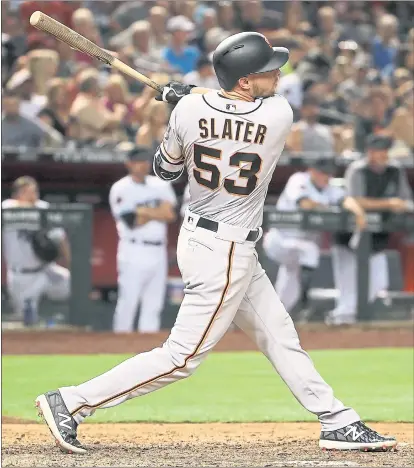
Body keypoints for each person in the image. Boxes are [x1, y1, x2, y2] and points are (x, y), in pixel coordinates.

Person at [36, 32, 397, 454]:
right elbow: (233, 106)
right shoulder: (278, 114)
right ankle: (72, 402)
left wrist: (181, 103)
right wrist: (188, 96)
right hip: (224, 252)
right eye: (267, 70)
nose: (277, 75)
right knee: (182, 357)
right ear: (245, 82)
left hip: (202, 239)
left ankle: (337, 420)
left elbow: (167, 170)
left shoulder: (189, 110)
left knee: (279, 334)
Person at [327, 134, 414, 326]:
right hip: (348, 237)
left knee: (378, 284)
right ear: (369, 152)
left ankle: (347, 322)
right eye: (378, 150)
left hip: (376, 238)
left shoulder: (395, 170)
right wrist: (389, 204)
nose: (382, 154)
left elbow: (405, 200)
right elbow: (354, 200)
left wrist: (400, 205)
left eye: (384, 150)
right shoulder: (358, 169)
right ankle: (339, 325)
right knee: (348, 290)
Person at [262, 159, 366, 318]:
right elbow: (306, 204)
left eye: (329, 174)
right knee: (310, 251)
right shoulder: (298, 180)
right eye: (323, 173)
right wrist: (329, 208)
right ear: (312, 171)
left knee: (285, 297)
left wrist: (358, 212)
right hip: (280, 240)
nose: (326, 177)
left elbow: (346, 200)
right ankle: (306, 303)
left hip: (298, 251)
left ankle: (270, 319)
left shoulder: (330, 188)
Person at [108, 145, 177, 333]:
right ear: (129, 164)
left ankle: (147, 349)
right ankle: (120, 345)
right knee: (128, 301)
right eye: (138, 161)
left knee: (153, 304)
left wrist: (143, 211)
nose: (143, 165)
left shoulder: (160, 185)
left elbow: (170, 215)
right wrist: (156, 211)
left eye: (145, 161)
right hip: (133, 250)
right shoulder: (121, 188)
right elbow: (132, 221)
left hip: (158, 250)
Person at [2, 176, 71, 326]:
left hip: (45, 270)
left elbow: (61, 237)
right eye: (28, 192)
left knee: (74, 284)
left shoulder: (43, 208)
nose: (33, 196)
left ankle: (64, 323)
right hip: (20, 276)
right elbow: (10, 206)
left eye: (35, 191)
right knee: (27, 320)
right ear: (18, 194)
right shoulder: (7, 208)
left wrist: (70, 263)